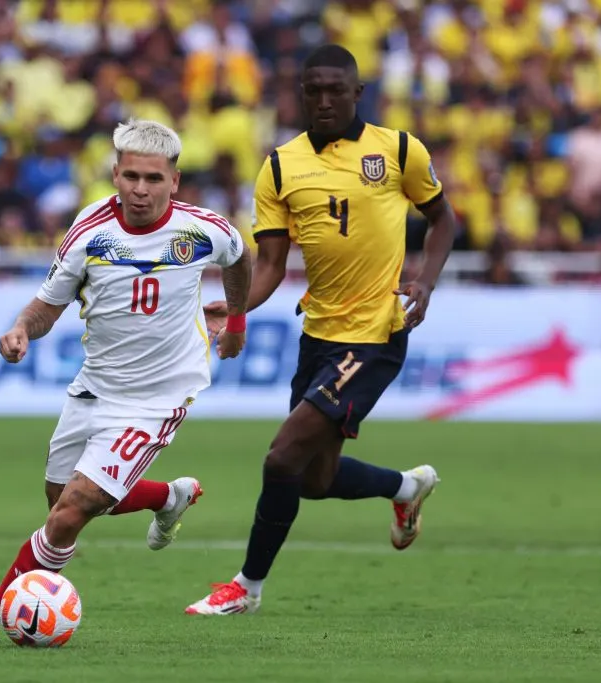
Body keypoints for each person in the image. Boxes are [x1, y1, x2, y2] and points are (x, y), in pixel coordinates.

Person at [187, 44, 457, 616]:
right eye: (314, 90)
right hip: (320, 334)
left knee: (280, 458)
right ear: (301, 94)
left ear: (358, 93)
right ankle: (405, 488)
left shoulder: (398, 149)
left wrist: (426, 281)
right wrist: (233, 311)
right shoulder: (281, 166)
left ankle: (246, 587)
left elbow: (442, 219)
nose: (326, 99)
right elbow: (269, 267)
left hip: (377, 334)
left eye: (337, 90)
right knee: (312, 478)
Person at [0, 119, 253, 644]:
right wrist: (22, 329)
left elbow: (240, 256)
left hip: (160, 395)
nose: (142, 190)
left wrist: (236, 320)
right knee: (62, 500)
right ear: (116, 174)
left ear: (175, 181)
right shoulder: (90, 231)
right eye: (132, 177)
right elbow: (50, 304)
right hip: (96, 385)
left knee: (72, 511)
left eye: (154, 179)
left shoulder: (203, 229)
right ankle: (168, 497)